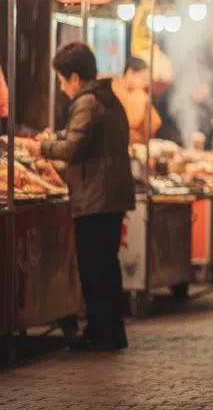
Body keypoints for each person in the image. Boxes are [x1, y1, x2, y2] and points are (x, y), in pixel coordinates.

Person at [16, 43, 135, 351]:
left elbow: (73, 148)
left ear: (75, 78)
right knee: (106, 267)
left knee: (94, 268)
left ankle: (99, 334)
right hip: (109, 196)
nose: (61, 87)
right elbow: (84, 140)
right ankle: (112, 332)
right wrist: (56, 138)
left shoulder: (87, 102)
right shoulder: (108, 99)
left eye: (62, 80)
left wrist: (40, 147)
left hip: (96, 197)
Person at [113, 57, 161, 146]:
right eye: (143, 79)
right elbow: (133, 121)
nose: (146, 83)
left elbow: (156, 123)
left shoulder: (140, 94)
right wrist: (140, 96)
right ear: (130, 73)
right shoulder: (114, 89)